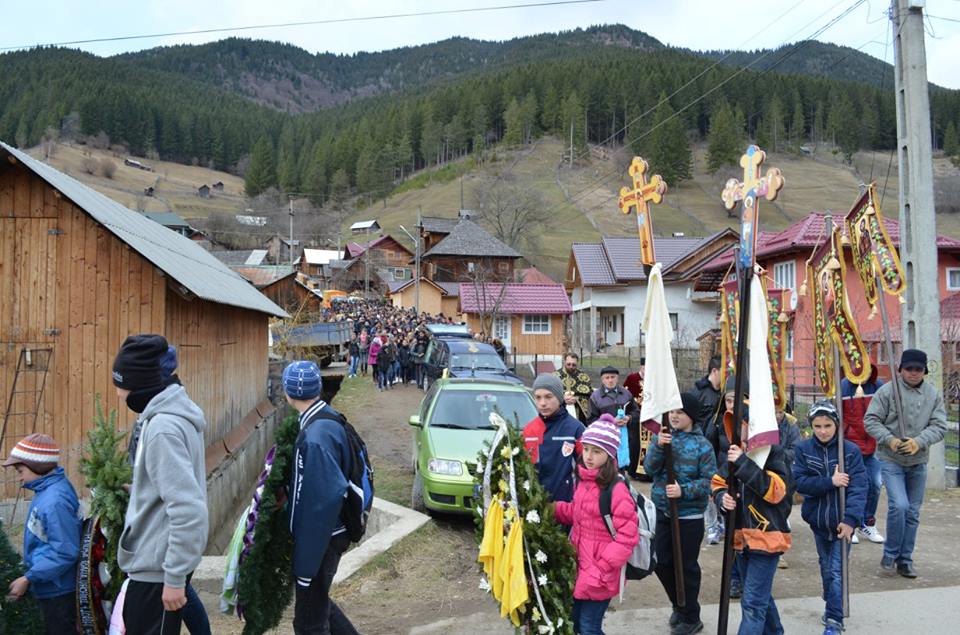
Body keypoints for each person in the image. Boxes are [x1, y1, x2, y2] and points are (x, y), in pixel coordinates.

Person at [113, 334, 208, 635]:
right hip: (156, 565)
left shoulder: (162, 429)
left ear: (140, 385)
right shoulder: (171, 416)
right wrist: (140, 492)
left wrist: (174, 578)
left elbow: (188, 509)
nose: (118, 394)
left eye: (122, 385)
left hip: (156, 572)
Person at [282, 360, 359, 635]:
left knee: (309, 624)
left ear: (288, 393)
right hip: (334, 531)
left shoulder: (314, 438)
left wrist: (305, 564)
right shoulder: (327, 419)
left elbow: (319, 505)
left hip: (323, 539)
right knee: (319, 604)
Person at [864, 349, 948, 578]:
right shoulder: (887, 391)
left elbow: (940, 425)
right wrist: (889, 440)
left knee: (912, 512)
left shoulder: (933, 395)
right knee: (899, 505)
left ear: (924, 371)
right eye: (909, 368)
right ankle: (890, 553)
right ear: (901, 369)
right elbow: (871, 420)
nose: (913, 372)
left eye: (918, 369)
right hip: (891, 459)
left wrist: (918, 442)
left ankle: (905, 559)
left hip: (918, 461)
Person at [553, 417, 639, 635]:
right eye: (586, 449)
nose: (589, 456)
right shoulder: (584, 481)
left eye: (596, 451)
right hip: (581, 564)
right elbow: (577, 513)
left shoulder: (616, 489)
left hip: (601, 572)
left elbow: (627, 536)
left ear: (609, 455)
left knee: (589, 627)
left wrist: (602, 568)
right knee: (576, 623)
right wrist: (552, 509)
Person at [712, 407, 793, 635]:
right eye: (734, 425)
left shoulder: (774, 453)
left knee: (752, 605)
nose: (737, 430)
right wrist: (722, 498)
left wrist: (742, 463)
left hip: (767, 539)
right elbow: (717, 482)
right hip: (740, 538)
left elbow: (776, 492)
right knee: (759, 597)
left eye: (742, 424)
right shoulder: (737, 452)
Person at [644, 393, 717, 635]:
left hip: (688, 516)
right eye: (672, 411)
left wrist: (683, 490)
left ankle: (691, 616)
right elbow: (649, 468)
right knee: (661, 561)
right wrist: (658, 446)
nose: (674, 416)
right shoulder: (662, 438)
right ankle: (679, 603)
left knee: (686, 567)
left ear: (691, 416)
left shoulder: (703, 446)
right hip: (663, 512)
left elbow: (709, 482)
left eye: (680, 412)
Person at [793, 400, 867, 635]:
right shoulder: (803, 450)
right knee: (826, 567)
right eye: (818, 426)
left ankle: (834, 619)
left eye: (828, 425)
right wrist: (830, 482)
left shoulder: (850, 451)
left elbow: (859, 488)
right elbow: (799, 483)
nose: (823, 431)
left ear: (836, 424)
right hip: (818, 522)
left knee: (836, 570)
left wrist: (851, 520)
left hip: (843, 524)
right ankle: (832, 599)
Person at [3, 434, 81, 635]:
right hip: (48, 584)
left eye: (21, 471)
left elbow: (65, 551)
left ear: (36, 467)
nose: (19, 477)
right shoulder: (45, 493)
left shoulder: (54, 501)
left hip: (57, 590)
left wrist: (28, 578)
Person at [840, 364, 885, 544]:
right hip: (850, 447)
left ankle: (867, 522)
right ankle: (850, 523)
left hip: (872, 446)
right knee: (851, 485)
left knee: (875, 483)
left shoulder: (878, 386)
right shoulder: (844, 386)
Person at [523, 374, 585, 503]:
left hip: (566, 504)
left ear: (559, 397)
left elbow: (588, 468)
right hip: (534, 505)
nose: (543, 403)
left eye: (548, 397)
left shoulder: (575, 429)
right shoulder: (529, 430)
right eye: (538, 397)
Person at [587, 366, 637, 472]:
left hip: (624, 440)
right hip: (605, 441)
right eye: (607, 377)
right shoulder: (595, 397)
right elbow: (591, 420)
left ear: (617, 378)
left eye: (613, 377)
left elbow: (636, 411)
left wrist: (628, 418)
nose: (610, 380)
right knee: (606, 471)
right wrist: (611, 422)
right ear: (602, 380)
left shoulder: (626, 394)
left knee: (621, 471)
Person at [556, 352, 593, 424]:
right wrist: (562, 399)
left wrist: (577, 399)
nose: (571, 367)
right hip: (559, 415)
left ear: (577, 364)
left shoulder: (584, 377)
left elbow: (591, 396)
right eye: (568, 364)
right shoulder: (555, 376)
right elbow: (550, 394)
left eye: (574, 365)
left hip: (580, 416)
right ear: (564, 362)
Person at [690, 356, 722, 432]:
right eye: (725, 372)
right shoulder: (698, 392)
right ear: (714, 371)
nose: (728, 375)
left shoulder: (726, 391)